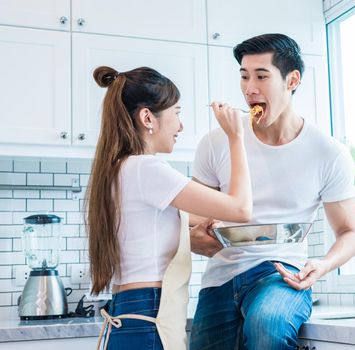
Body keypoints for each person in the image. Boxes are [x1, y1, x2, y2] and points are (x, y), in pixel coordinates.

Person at [189, 34, 355, 350]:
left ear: (292, 80)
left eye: (261, 76)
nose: (249, 88)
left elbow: (350, 232)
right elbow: (192, 219)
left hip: (282, 275)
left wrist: (321, 266)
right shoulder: (216, 142)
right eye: (244, 76)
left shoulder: (328, 152)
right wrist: (193, 237)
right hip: (220, 279)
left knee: (268, 325)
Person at [86, 66, 252, 349]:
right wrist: (235, 137)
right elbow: (240, 209)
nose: (181, 126)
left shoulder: (119, 169)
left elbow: (178, 219)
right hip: (150, 317)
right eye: (177, 113)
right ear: (148, 117)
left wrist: (201, 228)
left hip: (131, 316)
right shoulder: (146, 168)